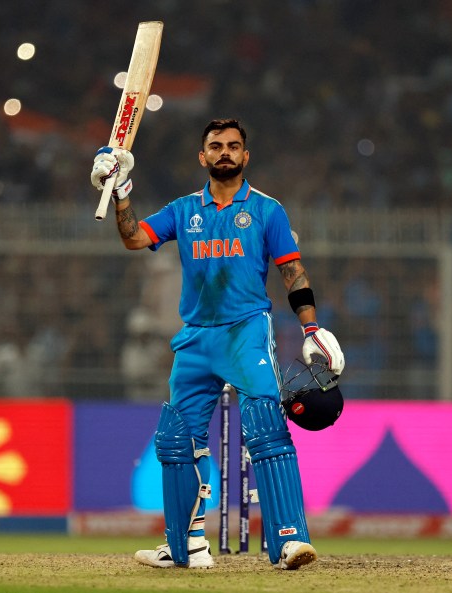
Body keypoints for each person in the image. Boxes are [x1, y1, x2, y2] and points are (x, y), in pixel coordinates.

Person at [89, 119, 345, 569]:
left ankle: (289, 540)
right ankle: (186, 546)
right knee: (177, 438)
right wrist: (121, 190)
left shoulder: (267, 210)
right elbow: (133, 238)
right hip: (195, 336)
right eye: (215, 146)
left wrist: (311, 328)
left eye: (233, 145)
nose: (224, 152)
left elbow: (292, 271)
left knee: (265, 425)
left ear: (245, 156)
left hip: (245, 331)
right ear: (202, 156)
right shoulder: (183, 209)